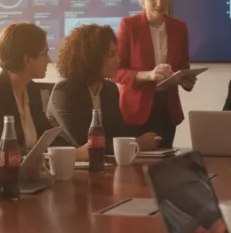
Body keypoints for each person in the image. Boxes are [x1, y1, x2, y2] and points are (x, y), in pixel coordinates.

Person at [46, 24, 160, 159]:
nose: (118, 60)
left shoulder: (110, 89)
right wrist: (137, 143)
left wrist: (145, 137)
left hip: (102, 165)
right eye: (112, 54)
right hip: (69, 169)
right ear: (91, 58)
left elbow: (118, 133)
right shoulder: (64, 92)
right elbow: (85, 143)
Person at [113, 0, 193, 148]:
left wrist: (186, 79)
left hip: (167, 110)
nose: (159, 3)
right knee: (135, 170)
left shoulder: (179, 27)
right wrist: (148, 75)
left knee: (164, 168)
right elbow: (115, 72)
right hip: (134, 112)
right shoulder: (129, 26)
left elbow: (183, 66)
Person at [0, 22, 71, 148]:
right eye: (45, 53)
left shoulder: (32, 89)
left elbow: (47, 136)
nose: (49, 60)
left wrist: (73, 151)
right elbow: (1, 149)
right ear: (27, 60)